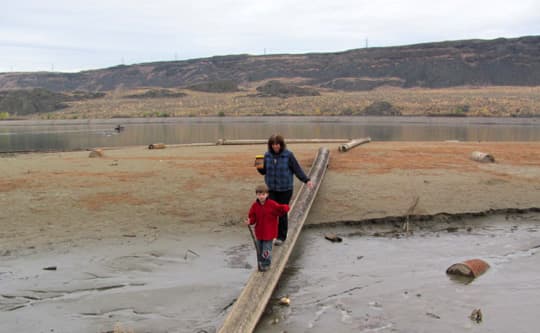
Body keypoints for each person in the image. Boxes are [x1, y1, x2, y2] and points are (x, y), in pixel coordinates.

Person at [256, 134, 313, 245]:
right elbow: (263, 172)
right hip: (271, 189)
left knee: (282, 213)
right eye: (273, 144)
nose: (275, 147)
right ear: (270, 145)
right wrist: (259, 166)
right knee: (271, 213)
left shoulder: (288, 155)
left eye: (277, 144)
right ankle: (271, 235)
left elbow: (297, 169)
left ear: (281, 145)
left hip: (285, 189)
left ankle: (281, 237)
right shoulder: (267, 155)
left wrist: (306, 180)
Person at [245, 184, 290, 272]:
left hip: (269, 233)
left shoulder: (272, 204)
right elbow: (252, 217)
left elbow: (280, 209)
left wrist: (286, 207)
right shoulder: (255, 206)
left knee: (266, 250)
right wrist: (250, 221)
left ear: (267, 195)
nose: (261, 196)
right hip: (259, 232)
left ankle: (266, 264)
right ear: (256, 195)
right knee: (259, 249)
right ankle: (261, 262)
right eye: (259, 194)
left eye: (263, 194)